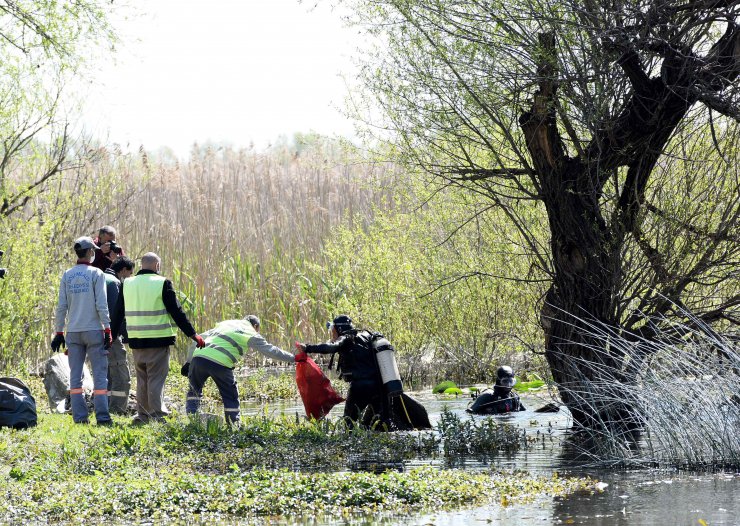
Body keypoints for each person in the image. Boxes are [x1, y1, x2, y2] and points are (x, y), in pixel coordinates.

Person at [110, 252, 205, 424]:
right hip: (158, 339)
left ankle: (143, 415)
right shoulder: (162, 283)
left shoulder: (127, 284)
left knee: (142, 379)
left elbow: (118, 312)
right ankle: (157, 414)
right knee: (155, 378)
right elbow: (177, 312)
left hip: (136, 340)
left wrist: (112, 335)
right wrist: (192, 334)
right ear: (157, 266)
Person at [182, 315, 295, 424]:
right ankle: (233, 425)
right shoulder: (250, 332)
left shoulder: (225, 324)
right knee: (230, 395)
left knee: (194, 391)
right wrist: (293, 358)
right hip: (221, 363)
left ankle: (193, 417)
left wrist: (188, 362)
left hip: (199, 358)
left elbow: (197, 339)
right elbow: (271, 350)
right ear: (255, 326)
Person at [52, 236, 113, 425]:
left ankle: (80, 418)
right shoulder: (96, 274)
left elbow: (61, 307)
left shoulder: (67, 275)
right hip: (94, 330)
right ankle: (102, 417)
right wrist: (107, 328)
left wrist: (59, 332)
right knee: (100, 376)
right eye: (93, 251)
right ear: (89, 252)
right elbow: (101, 304)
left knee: (74, 377)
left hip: (74, 332)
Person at [296, 315, 388, 428]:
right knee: (377, 425)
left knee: (348, 425)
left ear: (339, 329)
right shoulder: (367, 335)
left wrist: (307, 348)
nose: (332, 333)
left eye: (332, 330)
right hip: (378, 387)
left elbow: (331, 347)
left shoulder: (345, 338)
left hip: (359, 388)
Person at [104, 257, 134, 414]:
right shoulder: (114, 283)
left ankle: (103, 406)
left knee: (106, 374)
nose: (129, 278)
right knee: (121, 375)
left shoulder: (99, 277)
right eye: (129, 273)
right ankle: (117, 410)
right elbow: (117, 313)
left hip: (91, 333)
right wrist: (127, 336)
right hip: (110, 335)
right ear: (123, 270)